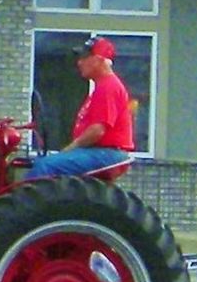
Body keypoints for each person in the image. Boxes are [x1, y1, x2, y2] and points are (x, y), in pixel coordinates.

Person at [28, 38, 136, 180]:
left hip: (105, 153)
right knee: (41, 163)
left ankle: (23, 201)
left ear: (98, 59)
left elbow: (97, 131)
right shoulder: (102, 86)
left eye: (84, 58)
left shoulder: (108, 86)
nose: (79, 62)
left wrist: (70, 149)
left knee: (45, 166)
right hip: (101, 152)